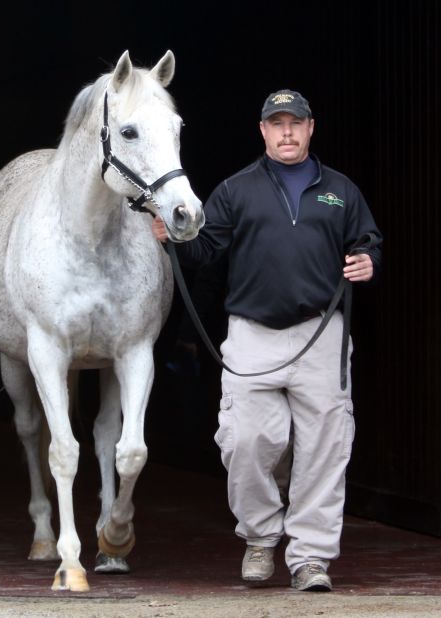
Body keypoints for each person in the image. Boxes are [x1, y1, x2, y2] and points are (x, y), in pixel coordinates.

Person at [151, 89, 382, 592]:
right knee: (248, 442)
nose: (286, 133)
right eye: (276, 124)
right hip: (253, 336)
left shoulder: (340, 191)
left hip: (320, 334)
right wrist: (174, 235)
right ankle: (259, 539)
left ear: (310, 128)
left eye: (295, 124)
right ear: (262, 131)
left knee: (325, 448)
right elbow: (206, 250)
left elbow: (367, 240)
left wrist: (369, 261)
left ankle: (311, 559)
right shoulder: (236, 190)